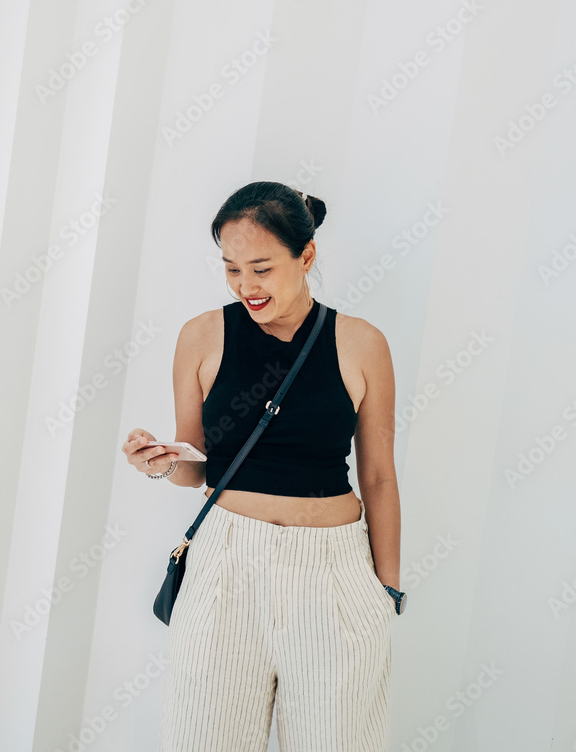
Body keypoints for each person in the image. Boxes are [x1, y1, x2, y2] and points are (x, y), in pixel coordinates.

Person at [121, 180, 406, 752]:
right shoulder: (202, 336)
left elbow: (377, 475)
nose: (246, 286)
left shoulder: (360, 343)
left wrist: (387, 589)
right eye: (231, 270)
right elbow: (196, 467)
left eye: (261, 268)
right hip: (225, 567)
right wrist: (158, 463)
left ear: (307, 256)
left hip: (336, 574)